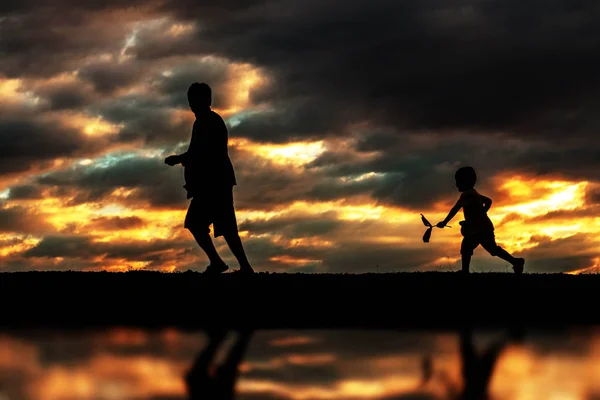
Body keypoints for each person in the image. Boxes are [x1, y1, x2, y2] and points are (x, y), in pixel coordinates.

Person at [165, 82, 254, 275]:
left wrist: (180, 159)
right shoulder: (202, 122)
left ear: (207, 100)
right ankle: (225, 263)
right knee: (204, 224)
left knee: (220, 225)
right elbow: (197, 151)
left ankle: (236, 266)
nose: (192, 104)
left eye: (196, 100)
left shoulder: (211, 121)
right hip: (210, 182)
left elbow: (203, 152)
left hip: (215, 182)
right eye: (191, 100)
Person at [436, 166, 525, 274]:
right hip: (483, 227)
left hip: (477, 229)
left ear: (466, 182)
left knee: (467, 247)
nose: (456, 184)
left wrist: (444, 222)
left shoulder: (467, 195)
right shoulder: (474, 193)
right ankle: (516, 262)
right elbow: (488, 201)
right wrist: (482, 213)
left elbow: (455, 208)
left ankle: (465, 271)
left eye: (458, 181)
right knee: (492, 249)